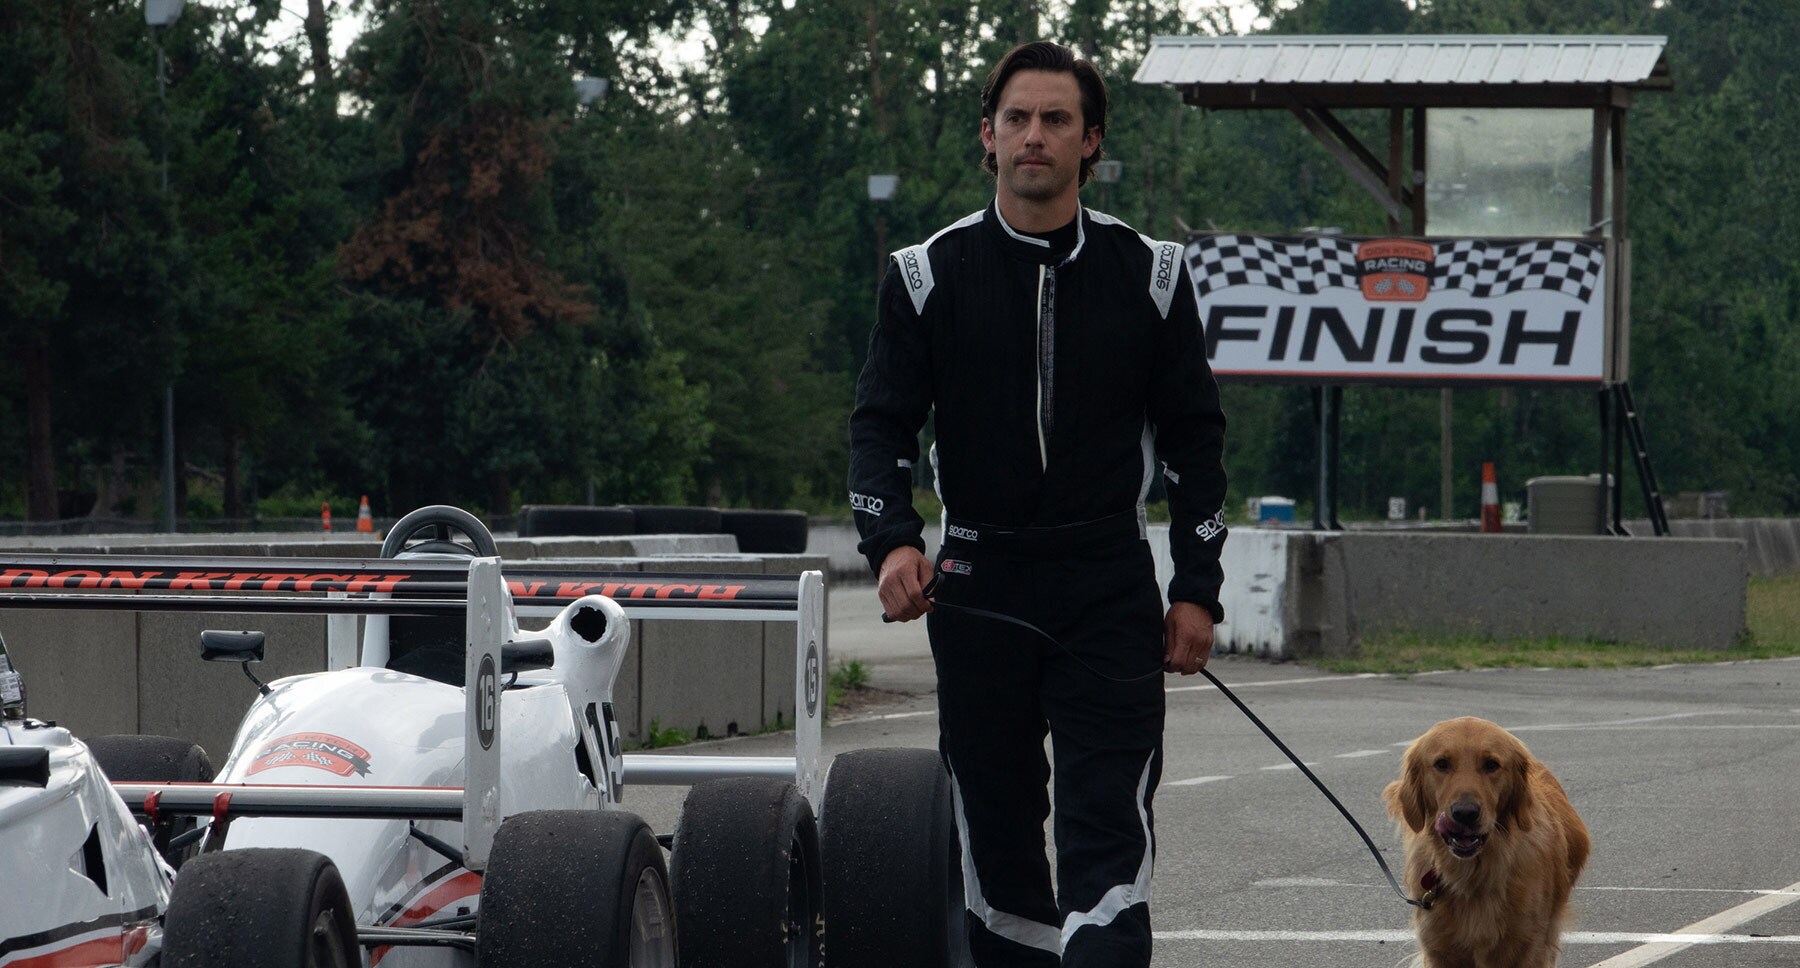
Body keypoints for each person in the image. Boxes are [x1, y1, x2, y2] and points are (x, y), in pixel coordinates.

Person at [847, 40, 1229, 968]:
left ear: (1090, 143)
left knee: (1108, 834)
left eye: (1058, 120)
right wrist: (893, 542)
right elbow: (878, 432)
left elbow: (1195, 443)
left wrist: (1197, 589)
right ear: (987, 137)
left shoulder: (1155, 275)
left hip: (1109, 586)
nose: (1035, 137)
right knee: (1001, 843)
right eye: (1017, 118)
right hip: (980, 585)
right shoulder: (922, 276)